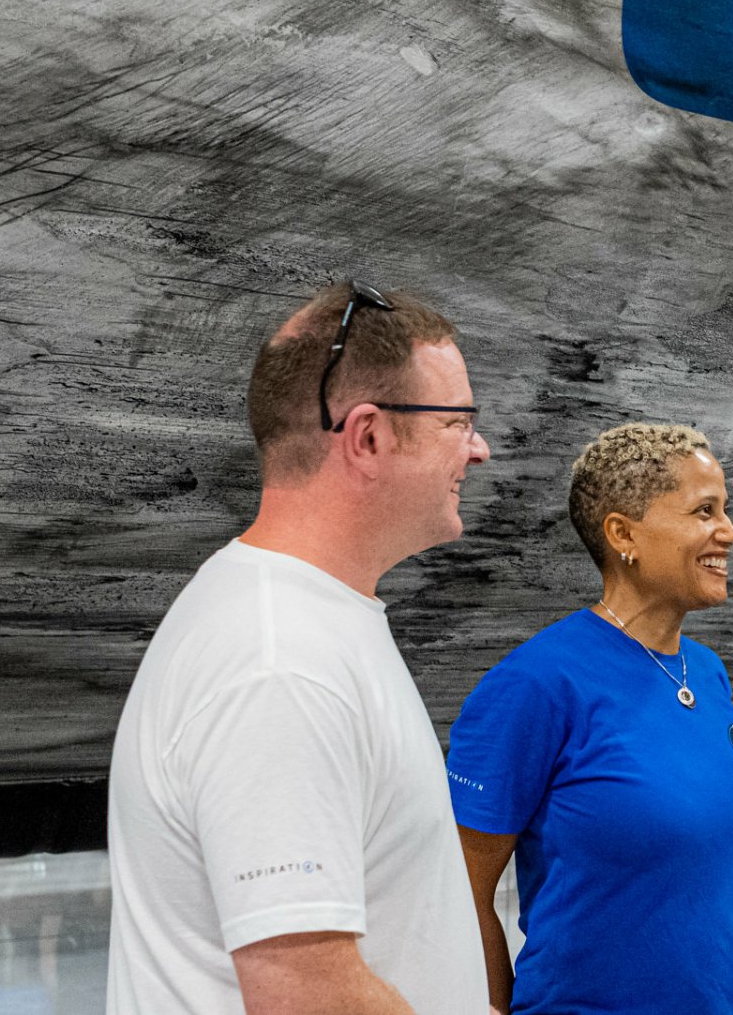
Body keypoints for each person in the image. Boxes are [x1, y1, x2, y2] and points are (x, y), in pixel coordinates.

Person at [106, 280, 493, 1014]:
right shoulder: (278, 662)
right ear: (370, 436)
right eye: (458, 422)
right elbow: (305, 995)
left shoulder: (304, 623)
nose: (479, 450)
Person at [446, 423, 733, 1014]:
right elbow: (457, 895)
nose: (729, 532)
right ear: (624, 534)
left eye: (724, 511)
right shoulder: (534, 685)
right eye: (705, 511)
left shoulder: (705, 672)